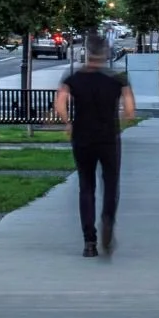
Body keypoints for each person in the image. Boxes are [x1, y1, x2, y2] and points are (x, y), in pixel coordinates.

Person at [55, 30, 135, 257]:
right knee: (111, 184)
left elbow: (60, 103)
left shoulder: (73, 79)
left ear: (87, 53)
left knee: (86, 186)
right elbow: (130, 109)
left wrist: (68, 123)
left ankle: (89, 242)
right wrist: (118, 117)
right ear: (106, 53)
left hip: (82, 137)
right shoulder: (118, 79)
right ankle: (108, 220)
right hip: (109, 137)